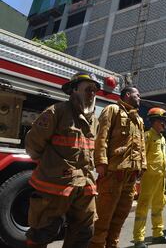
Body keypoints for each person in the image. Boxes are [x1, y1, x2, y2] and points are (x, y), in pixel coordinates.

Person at [25, 73, 100, 248]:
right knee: (42, 232)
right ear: (74, 90)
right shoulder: (56, 112)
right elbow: (33, 145)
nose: (92, 94)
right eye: (88, 89)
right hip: (54, 187)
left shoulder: (94, 121)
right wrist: (52, 167)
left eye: (95, 90)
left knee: (84, 233)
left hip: (85, 188)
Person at [90, 86, 147, 248]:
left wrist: (142, 167)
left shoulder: (139, 119)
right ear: (127, 95)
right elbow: (101, 137)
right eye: (138, 94)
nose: (140, 98)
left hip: (130, 178)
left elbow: (141, 145)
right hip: (113, 175)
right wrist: (100, 162)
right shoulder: (112, 110)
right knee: (103, 218)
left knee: (119, 218)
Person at [132, 108, 166, 248]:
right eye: (163, 121)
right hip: (149, 177)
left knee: (158, 206)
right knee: (143, 207)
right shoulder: (147, 135)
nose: (165, 124)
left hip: (160, 178)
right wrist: (138, 173)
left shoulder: (162, 138)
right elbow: (141, 155)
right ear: (155, 121)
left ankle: (158, 234)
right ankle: (139, 239)